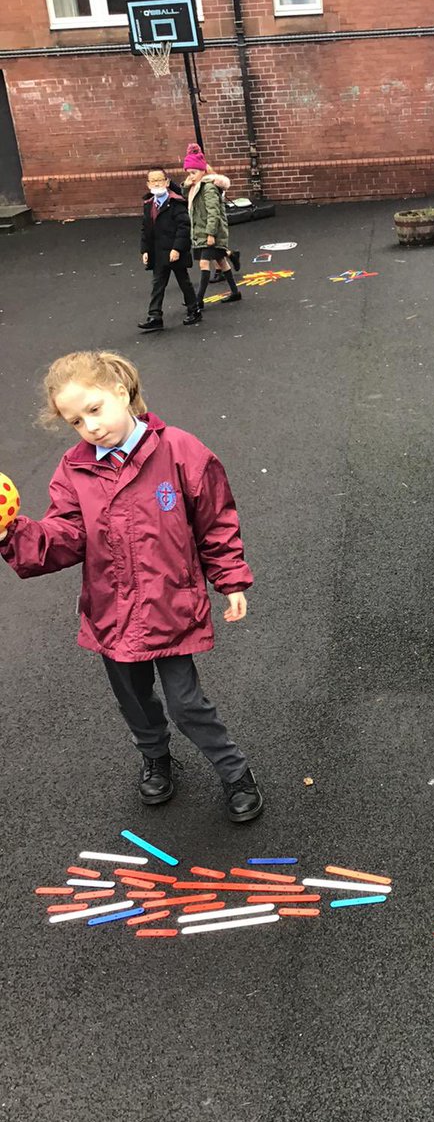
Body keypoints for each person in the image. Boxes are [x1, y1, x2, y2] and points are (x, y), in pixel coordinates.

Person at [0, 351, 263, 823]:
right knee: (135, 700)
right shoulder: (75, 469)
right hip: (112, 612)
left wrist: (230, 578)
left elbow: (215, 522)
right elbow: (65, 536)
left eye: (95, 409)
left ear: (122, 392)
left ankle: (234, 770)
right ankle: (157, 758)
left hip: (171, 606)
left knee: (187, 704)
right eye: (76, 421)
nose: (90, 427)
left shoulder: (180, 451)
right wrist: (12, 533)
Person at [139, 167, 201, 331]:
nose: (157, 183)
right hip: (158, 252)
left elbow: (183, 227)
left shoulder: (176, 202)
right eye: (153, 180)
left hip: (174, 251)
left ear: (167, 182)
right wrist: (145, 250)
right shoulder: (148, 205)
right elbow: (146, 229)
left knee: (183, 281)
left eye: (160, 179)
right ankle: (155, 315)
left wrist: (177, 248)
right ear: (148, 184)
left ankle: (193, 309)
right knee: (157, 284)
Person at [181, 144, 241, 309]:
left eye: (194, 173)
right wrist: (186, 184)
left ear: (203, 171)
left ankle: (198, 300)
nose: (191, 177)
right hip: (200, 231)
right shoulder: (195, 187)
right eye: (188, 173)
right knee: (221, 260)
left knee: (204, 263)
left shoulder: (208, 188)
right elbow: (184, 197)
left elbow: (213, 213)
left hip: (208, 232)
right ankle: (235, 292)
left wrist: (210, 233)